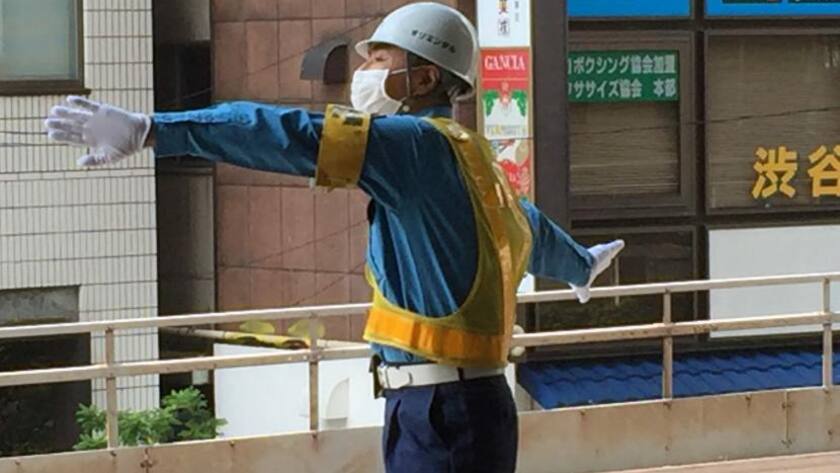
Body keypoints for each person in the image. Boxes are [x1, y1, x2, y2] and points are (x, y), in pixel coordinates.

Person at [45, 3, 624, 471]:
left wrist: (154, 131)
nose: (364, 69)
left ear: (423, 77)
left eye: (380, 57)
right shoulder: (475, 158)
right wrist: (578, 264)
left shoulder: (412, 146)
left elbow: (288, 135)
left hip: (443, 412)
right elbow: (529, 228)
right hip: (458, 406)